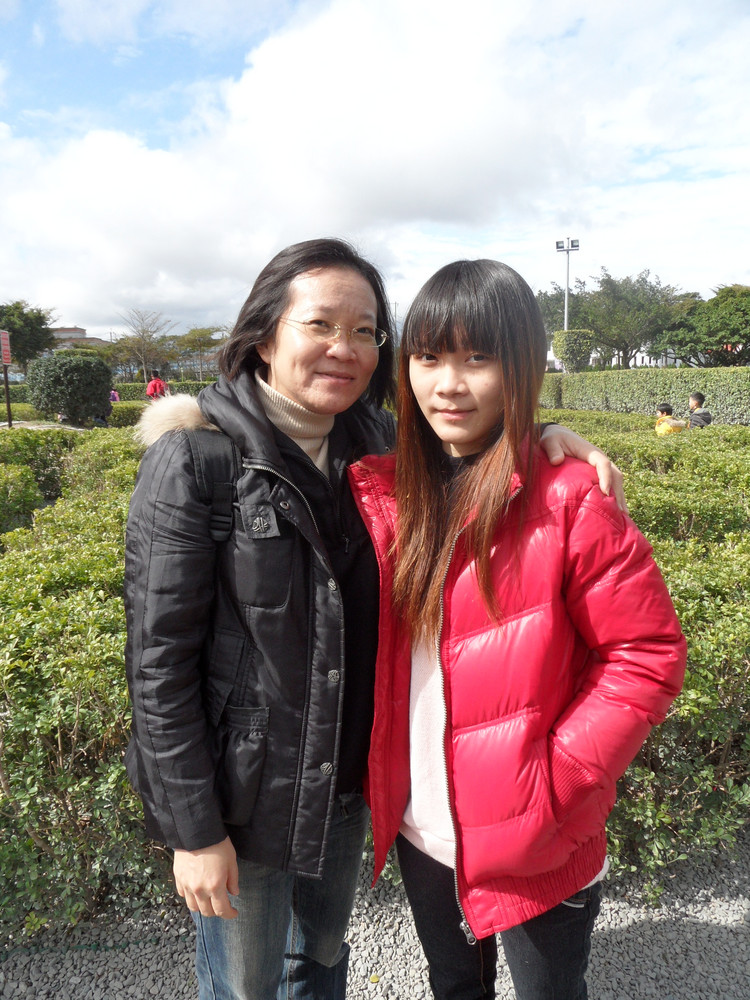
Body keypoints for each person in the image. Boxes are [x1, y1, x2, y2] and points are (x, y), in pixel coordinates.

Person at [124, 239, 627, 1000]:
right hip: (244, 798)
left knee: (322, 959)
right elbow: (158, 664)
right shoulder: (198, 460)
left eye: (365, 331)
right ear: (264, 336)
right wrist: (194, 831)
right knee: (247, 985)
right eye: (320, 324)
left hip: (344, 784)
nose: (345, 348)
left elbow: (477, 443)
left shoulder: (381, 447)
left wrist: (547, 442)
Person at [348, 258, 687, 1000]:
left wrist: (557, 786)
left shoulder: (570, 496)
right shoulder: (390, 489)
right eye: (428, 357)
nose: (448, 384)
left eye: (478, 358)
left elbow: (646, 653)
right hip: (423, 827)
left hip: (540, 835)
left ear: (522, 366)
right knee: (453, 985)